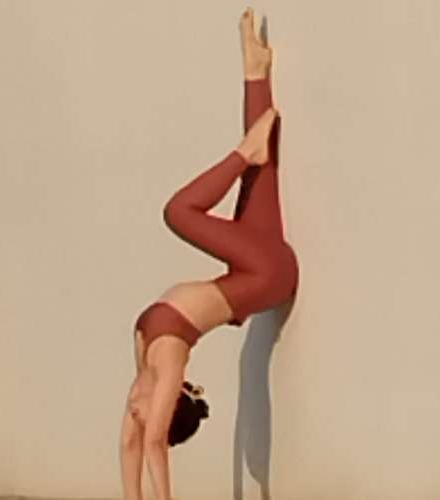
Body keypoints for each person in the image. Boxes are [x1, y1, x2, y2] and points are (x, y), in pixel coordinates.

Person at [119, 7, 299, 500]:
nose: (132, 414)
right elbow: (151, 444)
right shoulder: (168, 367)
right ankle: (243, 151)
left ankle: (255, 70)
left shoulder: (143, 373)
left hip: (251, 269)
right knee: (179, 212)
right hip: (267, 275)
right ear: (172, 399)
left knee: (262, 173)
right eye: (145, 414)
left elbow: (131, 446)